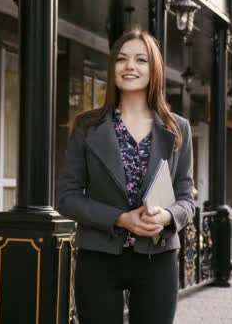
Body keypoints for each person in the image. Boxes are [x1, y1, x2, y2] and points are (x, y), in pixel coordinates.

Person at [57, 29, 194, 324]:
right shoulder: (86, 126)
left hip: (157, 259)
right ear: (113, 68)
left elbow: (186, 198)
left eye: (141, 59)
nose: (130, 66)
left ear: (154, 69)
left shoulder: (178, 128)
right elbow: (66, 198)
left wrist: (167, 216)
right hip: (98, 257)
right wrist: (120, 218)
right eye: (122, 59)